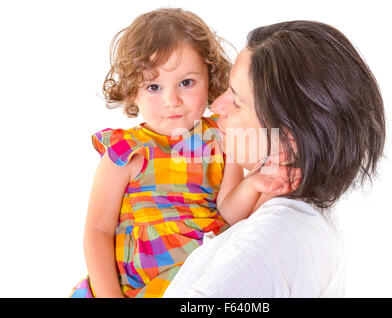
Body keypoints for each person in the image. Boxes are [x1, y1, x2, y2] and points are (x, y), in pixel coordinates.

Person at [163, 20, 386, 297]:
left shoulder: (266, 246)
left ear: (287, 143)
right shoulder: (298, 226)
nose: (216, 105)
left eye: (236, 99)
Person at [70, 8, 278, 298]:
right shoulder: (126, 152)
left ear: (210, 78)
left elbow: (229, 212)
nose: (172, 100)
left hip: (196, 279)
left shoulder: (221, 139)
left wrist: (252, 183)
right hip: (133, 285)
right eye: (154, 87)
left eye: (186, 83)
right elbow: (98, 231)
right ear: (133, 92)